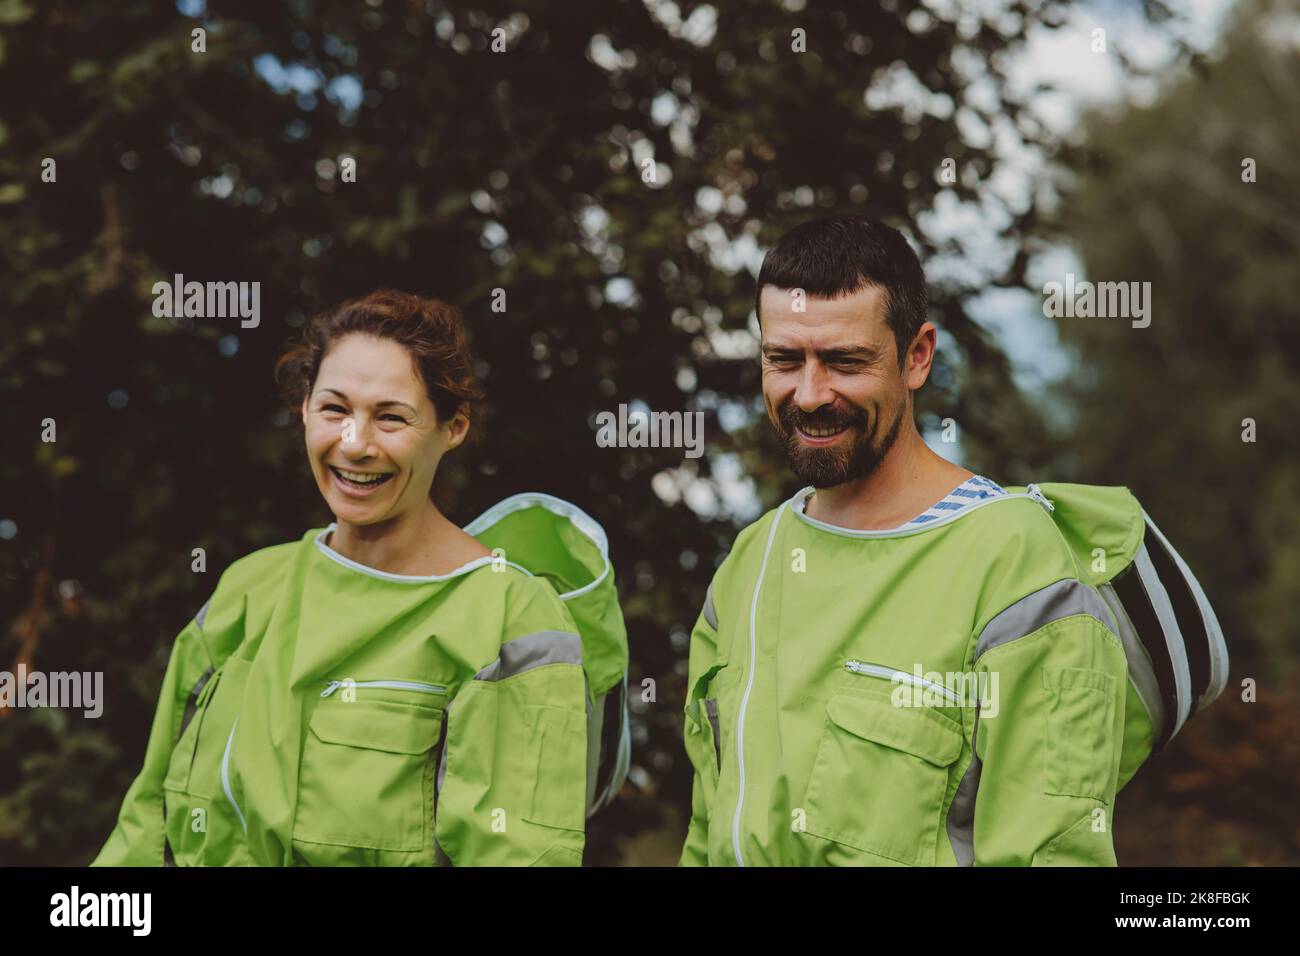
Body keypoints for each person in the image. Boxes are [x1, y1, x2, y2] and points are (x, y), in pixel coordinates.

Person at [679, 215, 1129, 866]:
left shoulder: (1013, 561)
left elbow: (1053, 853)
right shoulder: (750, 560)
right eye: (784, 360)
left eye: (844, 361)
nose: (809, 394)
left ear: (917, 357)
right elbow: (705, 836)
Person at [91, 290, 599, 866]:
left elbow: (518, 857)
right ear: (304, 408)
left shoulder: (512, 617)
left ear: (452, 428)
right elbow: (146, 819)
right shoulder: (247, 590)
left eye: (390, 417)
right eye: (334, 409)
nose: (355, 445)